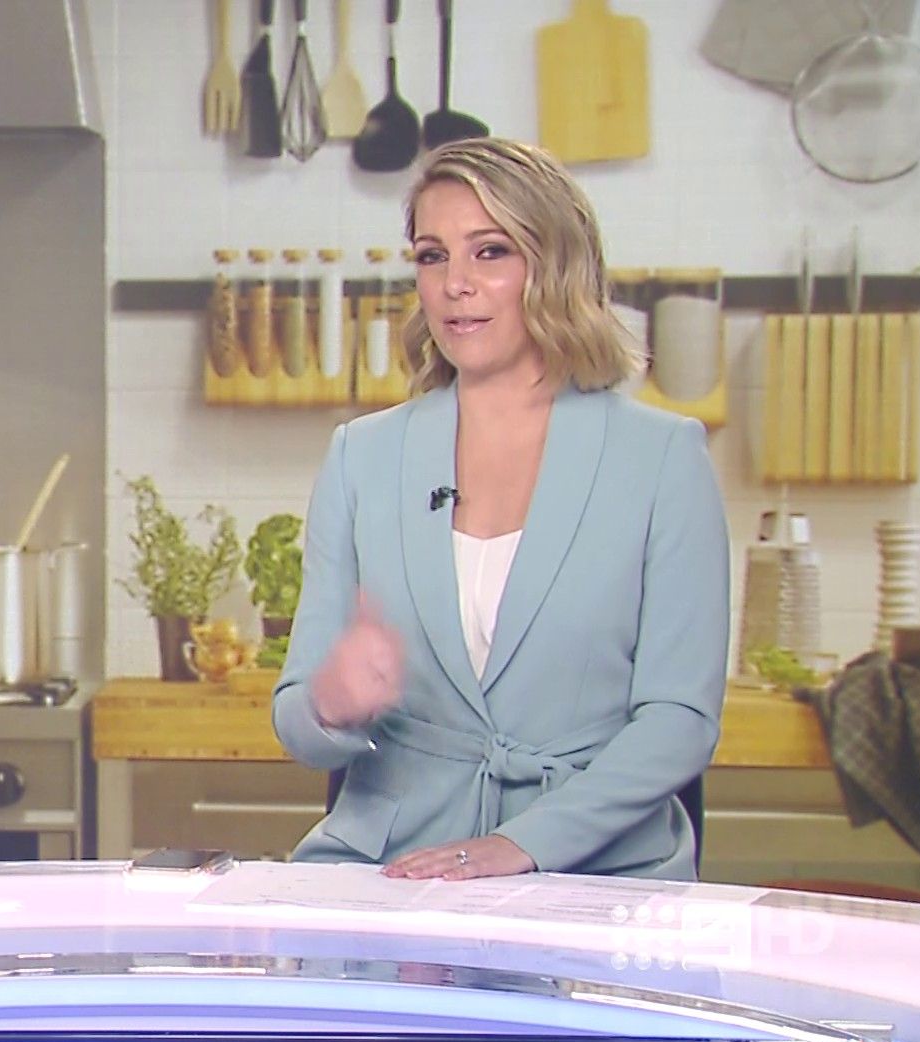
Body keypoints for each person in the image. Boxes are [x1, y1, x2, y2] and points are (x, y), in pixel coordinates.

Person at [273, 138, 728, 881]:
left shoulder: (662, 459)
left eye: (490, 252)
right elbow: (297, 714)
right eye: (432, 256)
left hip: (596, 872)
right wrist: (330, 704)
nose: (455, 284)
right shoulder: (362, 457)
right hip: (393, 864)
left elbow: (680, 719)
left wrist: (524, 844)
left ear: (555, 265)